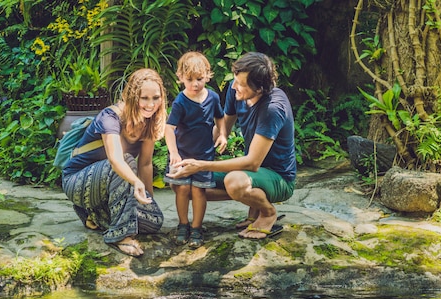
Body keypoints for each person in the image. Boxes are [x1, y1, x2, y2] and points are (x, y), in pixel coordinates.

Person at [169, 52, 296, 239]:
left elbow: (252, 163)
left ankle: (268, 212)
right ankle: (254, 205)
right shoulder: (235, 89)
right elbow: (223, 129)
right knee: (181, 183)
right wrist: (189, 156)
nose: (234, 86)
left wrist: (201, 165)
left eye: (241, 84)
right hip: (253, 174)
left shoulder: (272, 108)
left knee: (234, 182)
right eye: (235, 80)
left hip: (278, 178)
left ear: (259, 88)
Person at [61, 68, 167, 257]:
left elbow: (145, 164)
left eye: (155, 98)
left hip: (110, 184)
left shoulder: (149, 121)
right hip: (77, 181)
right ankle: (119, 235)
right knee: (125, 161)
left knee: (154, 220)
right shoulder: (110, 118)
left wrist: (147, 199)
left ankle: (94, 215)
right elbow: (115, 159)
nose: (151, 104)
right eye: (144, 98)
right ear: (133, 96)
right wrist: (136, 182)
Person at [164, 51, 228, 247]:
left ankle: (197, 228)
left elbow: (220, 117)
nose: (195, 84)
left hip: (204, 156)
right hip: (182, 155)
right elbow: (169, 128)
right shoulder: (181, 101)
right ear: (180, 78)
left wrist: (223, 134)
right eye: (189, 79)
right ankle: (183, 224)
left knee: (199, 191)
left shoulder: (213, 97)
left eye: (199, 79)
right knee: (182, 189)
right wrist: (173, 153)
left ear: (208, 75)